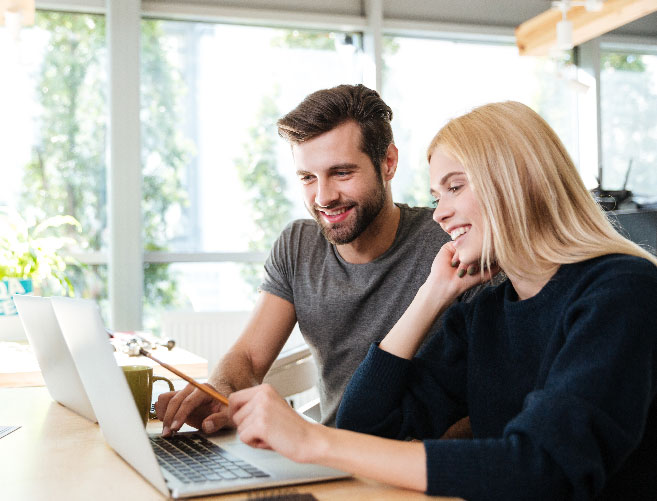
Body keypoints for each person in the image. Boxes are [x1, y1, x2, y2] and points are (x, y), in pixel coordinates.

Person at [227, 101, 657, 500]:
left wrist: (313, 440)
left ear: (516, 181)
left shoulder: (620, 290)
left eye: (455, 188)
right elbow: (365, 425)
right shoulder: (484, 313)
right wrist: (430, 295)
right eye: (437, 196)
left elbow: (544, 467)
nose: (439, 213)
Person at [156, 84, 464, 435]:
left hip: (418, 468)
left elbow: (487, 407)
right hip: (326, 457)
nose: (324, 197)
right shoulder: (298, 245)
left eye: (342, 173)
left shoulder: (451, 242)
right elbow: (249, 358)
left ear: (388, 163)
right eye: (307, 178)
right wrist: (220, 388)